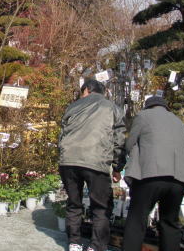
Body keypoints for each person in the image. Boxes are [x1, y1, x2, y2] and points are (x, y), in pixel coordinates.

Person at [59, 79, 126, 251]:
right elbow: (119, 140)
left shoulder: (71, 107)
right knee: (100, 207)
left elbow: (62, 136)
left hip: (68, 161)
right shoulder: (112, 107)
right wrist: (118, 167)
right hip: (96, 161)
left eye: (82, 91)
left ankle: (74, 243)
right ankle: (96, 246)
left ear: (87, 90)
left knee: (74, 203)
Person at [122, 96, 184, 251]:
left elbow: (129, 143)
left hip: (151, 175)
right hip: (179, 179)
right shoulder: (178, 121)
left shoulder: (143, 116)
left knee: (137, 220)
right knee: (170, 223)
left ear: (148, 106)